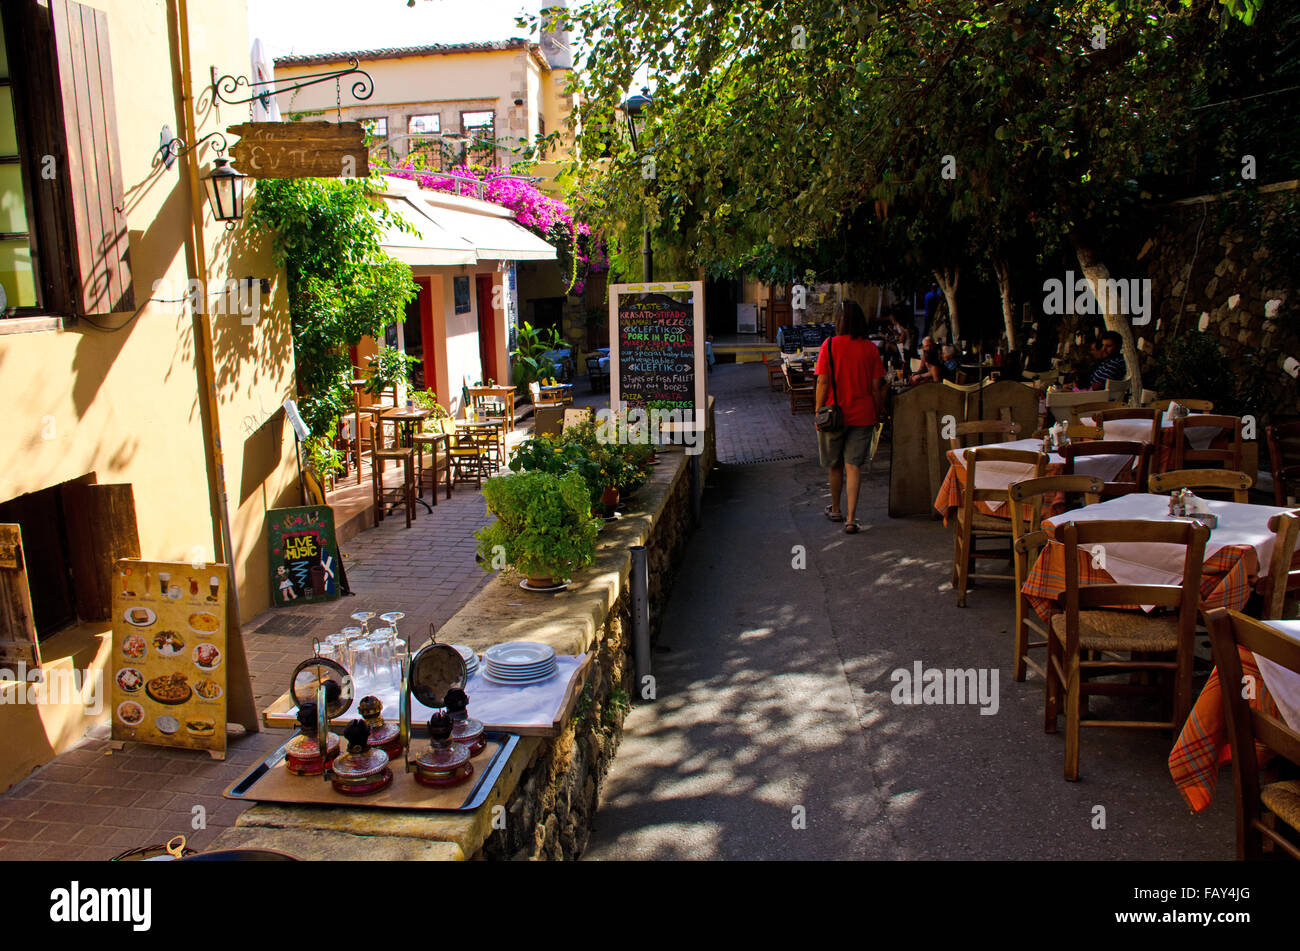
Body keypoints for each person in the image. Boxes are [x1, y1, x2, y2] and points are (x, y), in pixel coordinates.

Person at [815, 300, 886, 535]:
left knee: (835, 465)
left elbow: (822, 382)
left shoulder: (830, 345)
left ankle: (836, 509)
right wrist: (877, 413)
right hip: (863, 415)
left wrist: (818, 412)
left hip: (834, 415)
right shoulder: (870, 349)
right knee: (854, 466)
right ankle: (852, 518)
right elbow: (877, 387)